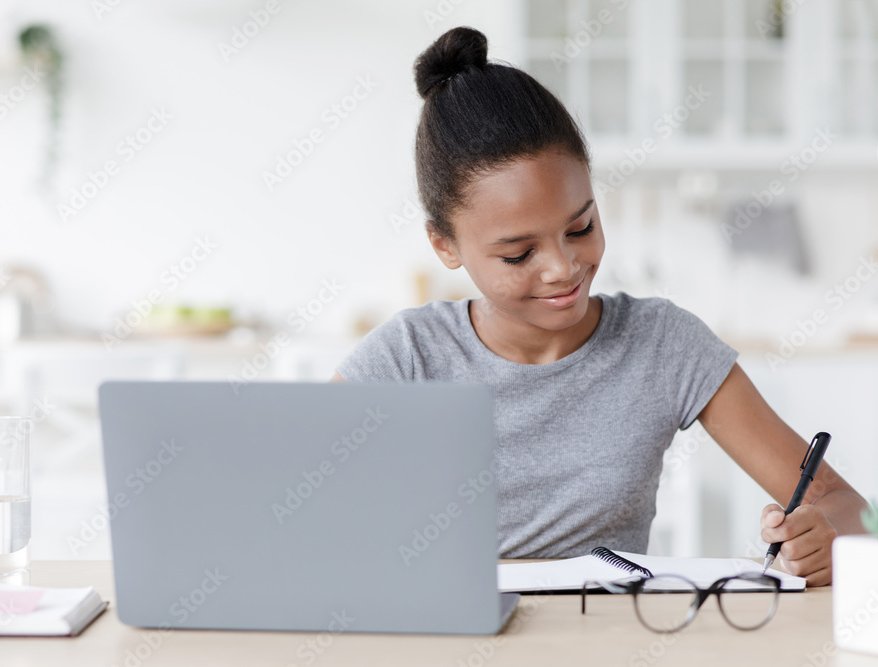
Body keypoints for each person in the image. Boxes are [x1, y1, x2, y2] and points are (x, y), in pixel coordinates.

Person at [330, 26, 867, 586]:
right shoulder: (409, 357)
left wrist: (825, 535)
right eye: (519, 254)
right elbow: (287, 515)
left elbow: (853, 510)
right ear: (445, 245)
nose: (563, 267)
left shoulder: (663, 343)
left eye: (581, 226)